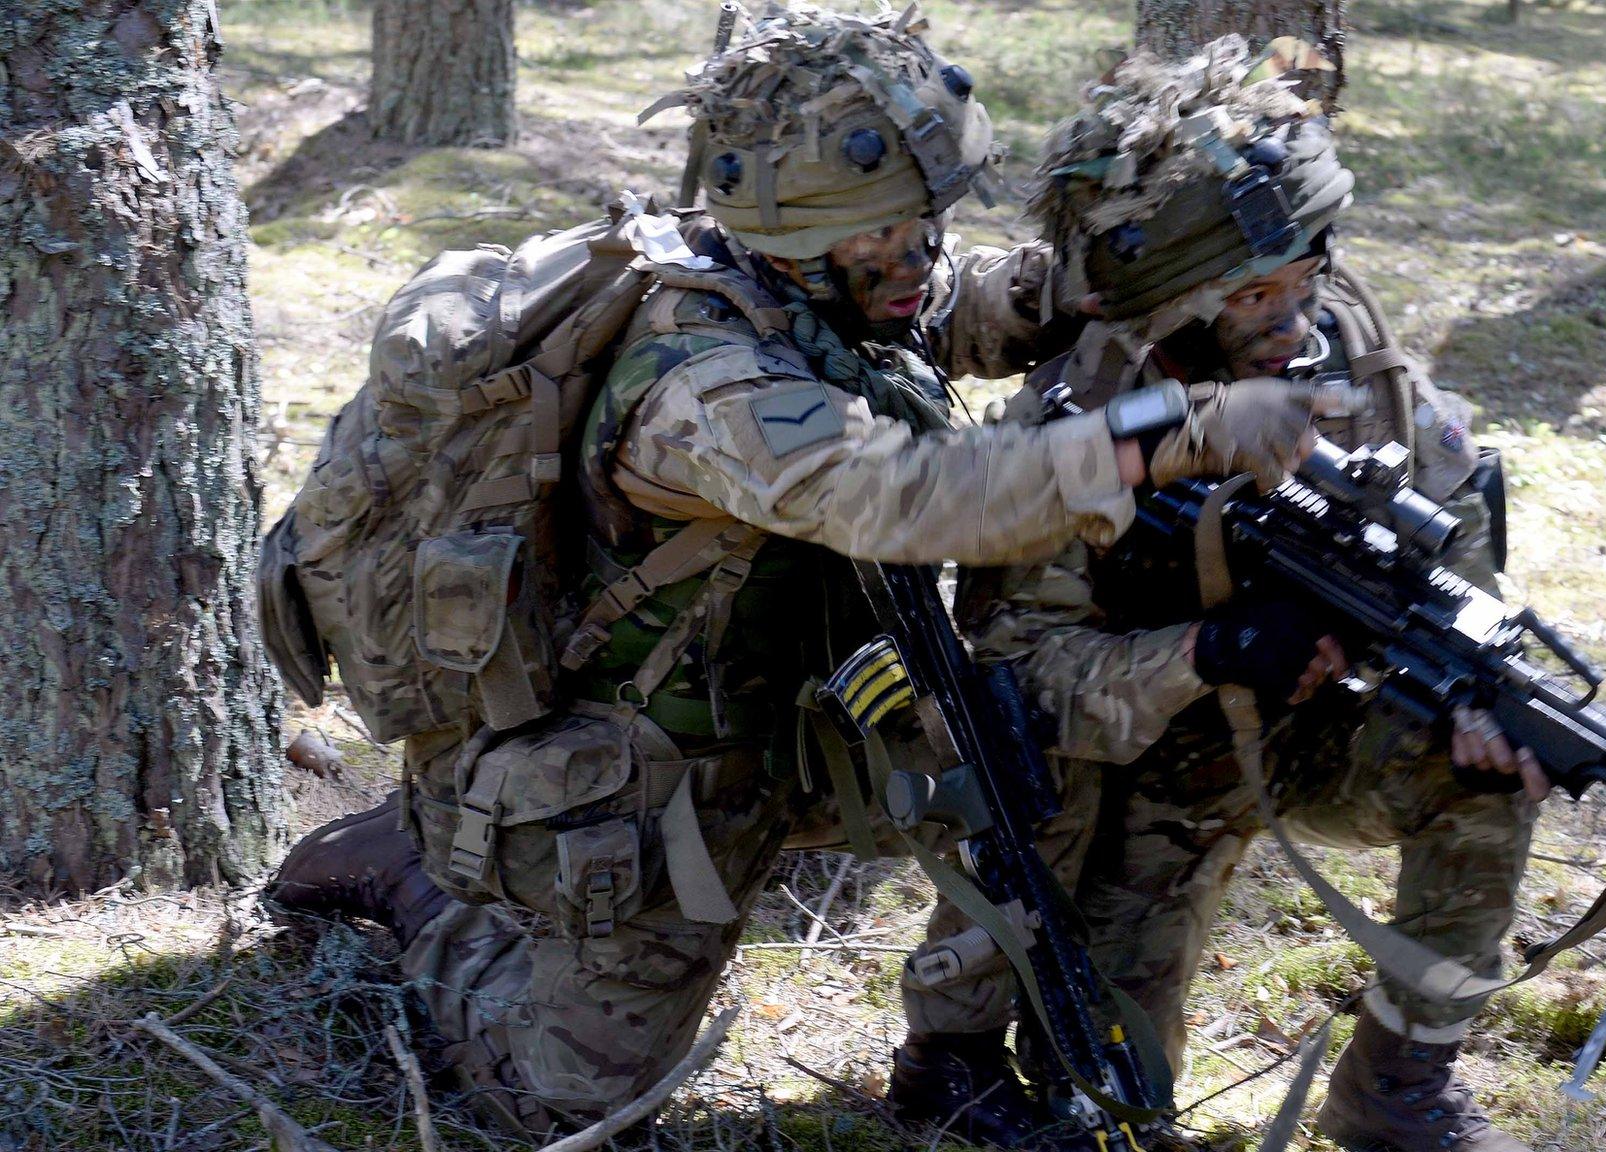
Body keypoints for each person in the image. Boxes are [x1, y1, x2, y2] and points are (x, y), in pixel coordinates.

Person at [267, 8, 1343, 1139]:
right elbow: (902, 494)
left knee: (1022, 735)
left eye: (926, 225)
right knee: (572, 1099)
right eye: (886, 241)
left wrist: (1110, 266)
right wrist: (1177, 432)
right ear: (790, 238)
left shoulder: (826, 278)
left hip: (795, 709)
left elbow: (949, 311)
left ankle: (958, 1050)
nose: (916, 261)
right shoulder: (703, 383)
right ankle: (416, 882)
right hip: (641, 770)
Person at [890, 38, 1546, 1152]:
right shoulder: (1083, 423)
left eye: (1307, 277)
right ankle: (949, 1051)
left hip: (1285, 736)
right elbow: (1019, 679)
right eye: (1252, 295)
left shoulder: (1364, 378)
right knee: (1107, 1103)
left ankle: (1400, 1080)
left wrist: (1479, 694)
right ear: (1170, 306)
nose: (1292, 319)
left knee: (1480, 773)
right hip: (1110, 768)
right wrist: (1208, 651)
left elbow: (1456, 556)